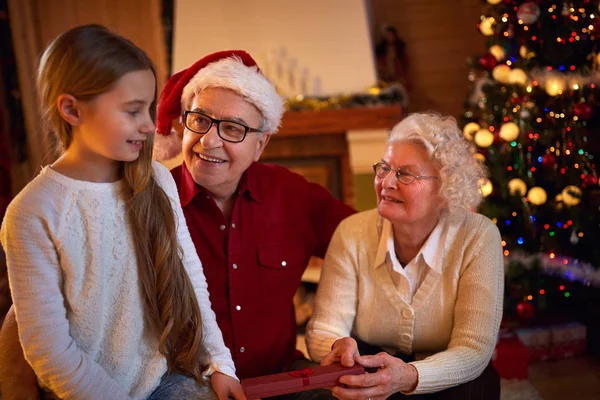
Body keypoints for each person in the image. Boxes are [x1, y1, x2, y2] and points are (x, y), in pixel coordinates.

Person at [0, 25, 242, 400]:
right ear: (71, 109)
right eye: (132, 111)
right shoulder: (33, 212)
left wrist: (220, 363)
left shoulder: (157, 180)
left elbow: (191, 277)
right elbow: (47, 350)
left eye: (148, 108)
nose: (149, 125)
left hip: (164, 381)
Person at [152, 50, 356, 381]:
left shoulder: (293, 194)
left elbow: (365, 244)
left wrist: (338, 334)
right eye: (200, 120)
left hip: (281, 376)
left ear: (260, 144)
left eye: (232, 129)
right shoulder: (154, 202)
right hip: (189, 383)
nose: (209, 140)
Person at [306, 113, 503, 399]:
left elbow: (474, 349)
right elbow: (323, 330)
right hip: (369, 368)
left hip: (450, 374)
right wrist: (338, 346)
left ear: (445, 187)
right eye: (384, 168)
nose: (386, 182)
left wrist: (410, 376)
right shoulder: (351, 232)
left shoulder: (477, 236)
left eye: (405, 173)